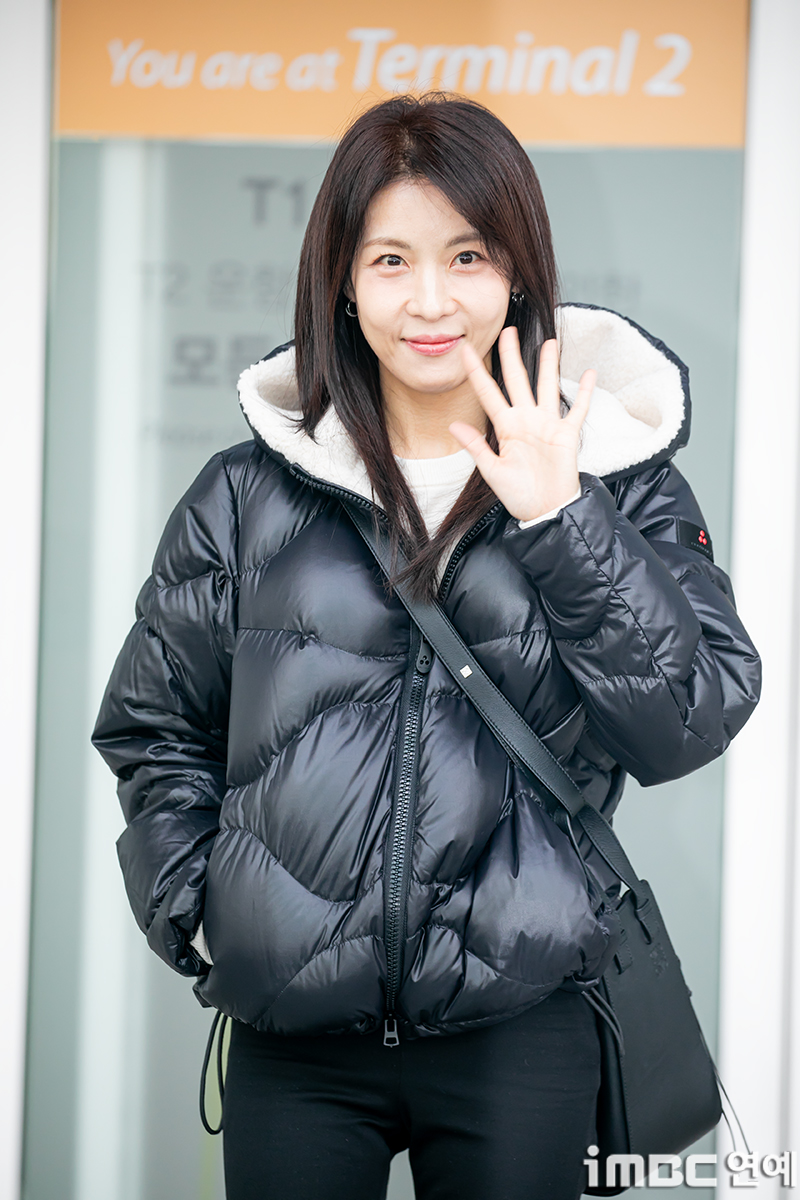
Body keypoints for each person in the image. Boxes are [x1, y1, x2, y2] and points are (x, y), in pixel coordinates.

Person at [91, 92, 761, 1200]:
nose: (431, 300)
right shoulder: (247, 494)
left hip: (520, 1025)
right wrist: (200, 910)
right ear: (343, 283)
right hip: (295, 1040)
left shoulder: (614, 479)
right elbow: (154, 724)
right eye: (391, 260)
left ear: (517, 274)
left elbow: (685, 720)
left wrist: (561, 519)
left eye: (467, 256)